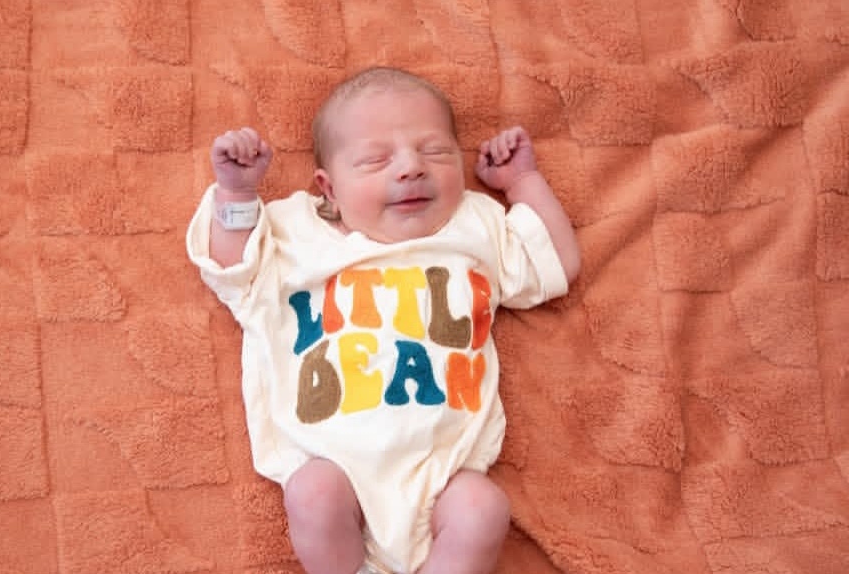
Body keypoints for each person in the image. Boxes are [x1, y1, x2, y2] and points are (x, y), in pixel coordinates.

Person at [186, 66, 581, 574]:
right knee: (311, 494)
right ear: (329, 189)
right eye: (376, 160)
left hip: (443, 469)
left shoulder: (473, 226)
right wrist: (237, 195)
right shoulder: (294, 234)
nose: (411, 168)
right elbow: (230, 267)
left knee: (484, 508)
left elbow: (556, 263)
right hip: (333, 462)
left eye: (435, 152)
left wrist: (523, 182)